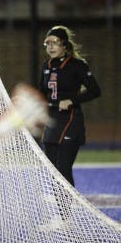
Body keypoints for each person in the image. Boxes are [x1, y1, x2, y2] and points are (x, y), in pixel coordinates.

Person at [37, 25, 101, 186]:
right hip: (51, 122)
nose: (50, 47)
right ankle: (61, 210)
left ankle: (66, 211)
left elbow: (95, 91)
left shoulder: (77, 66)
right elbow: (42, 93)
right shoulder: (46, 66)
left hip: (71, 121)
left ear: (64, 45)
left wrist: (72, 101)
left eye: (55, 43)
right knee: (53, 173)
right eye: (48, 43)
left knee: (63, 169)